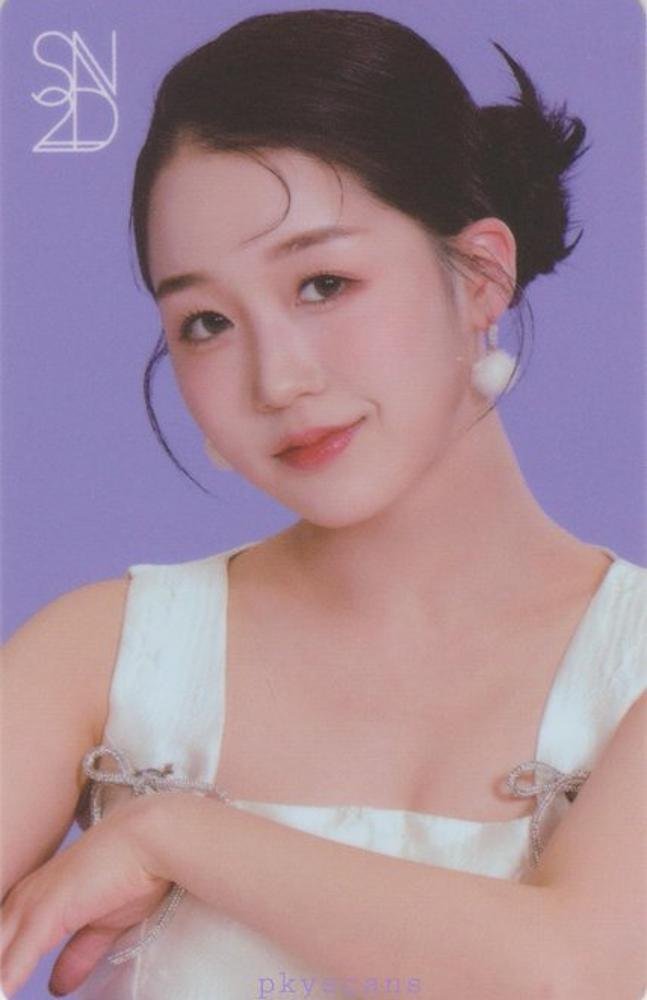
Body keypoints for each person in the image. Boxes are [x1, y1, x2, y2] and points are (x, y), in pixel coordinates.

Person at [1, 9, 645, 999]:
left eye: (323, 282)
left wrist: (173, 834)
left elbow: (577, 971)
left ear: (480, 274)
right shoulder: (101, 657)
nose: (277, 378)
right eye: (205, 322)